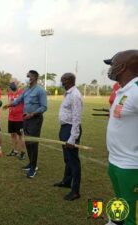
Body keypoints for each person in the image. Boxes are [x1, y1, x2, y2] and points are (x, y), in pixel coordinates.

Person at [104, 50, 138, 225]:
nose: (110, 69)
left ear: (123, 67)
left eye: (112, 64)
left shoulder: (137, 90)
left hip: (131, 166)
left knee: (134, 217)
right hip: (116, 160)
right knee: (122, 201)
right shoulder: (123, 90)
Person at [3, 70, 47, 178]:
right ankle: (31, 163)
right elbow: (18, 100)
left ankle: (33, 168)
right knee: (27, 142)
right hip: (25, 119)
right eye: (27, 76)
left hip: (35, 119)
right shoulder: (26, 90)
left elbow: (44, 107)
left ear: (35, 78)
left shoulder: (40, 91)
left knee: (33, 142)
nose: (28, 79)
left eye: (30, 77)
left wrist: (32, 114)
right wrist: (9, 105)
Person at [53, 73, 83, 201]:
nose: (61, 82)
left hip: (71, 130)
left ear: (69, 81)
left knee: (73, 161)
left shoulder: (75, 95)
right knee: (67, 159)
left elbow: (77, 118)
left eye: (63, 80)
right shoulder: (68, 93)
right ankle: (66, 181)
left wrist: (72, 137)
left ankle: (75, 191)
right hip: (65, 128)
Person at [5, 78, 26, 160]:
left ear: (18, 83)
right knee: (12, 134)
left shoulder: (22, 92)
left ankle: (23, 152)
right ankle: (14, 150)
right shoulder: (9, 93)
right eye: (10, 83)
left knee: (21, 136)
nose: (12, 84)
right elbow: (10, 103)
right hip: (11, 117)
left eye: (13, 83)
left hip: (20, 118)